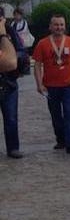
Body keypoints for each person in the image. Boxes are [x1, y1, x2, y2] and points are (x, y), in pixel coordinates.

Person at [33, 14, 70, 155]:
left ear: (65, 26)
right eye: (56, 24)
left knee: (69, 113)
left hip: (68, 85)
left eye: (61, 24)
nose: (59, 27)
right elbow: (37, 65)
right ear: (50, 26)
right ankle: (61, 139)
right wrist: (39, 84)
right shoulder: (42, 43)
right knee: (56, 115)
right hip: (51, 86)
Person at [0, 14, 23, 158]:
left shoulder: (9, 30)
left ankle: (13, 148)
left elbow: (20, 51)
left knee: (11, 117)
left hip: (8, 82)